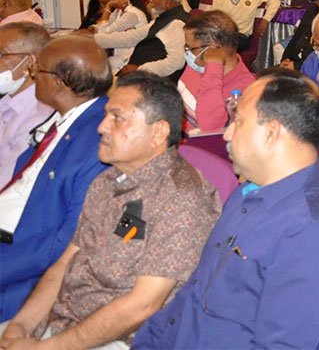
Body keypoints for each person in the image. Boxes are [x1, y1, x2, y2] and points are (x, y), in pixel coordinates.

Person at [133, 70, 319, 349]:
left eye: (238, 121)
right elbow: (191, 298)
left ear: (271, 133)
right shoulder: (249, 193)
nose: (227, 133)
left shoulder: (311, 232)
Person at [0, 72, 220, 348]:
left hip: (119, 340)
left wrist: (46, 347)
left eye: (118, 118)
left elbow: (142, 306)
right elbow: (65, 263)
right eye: (106, 115)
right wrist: (19, 327)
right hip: (60, 323)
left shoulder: (181, 199)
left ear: (158, 133)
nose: (102, 127)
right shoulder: (107, 180)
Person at [0, 36, 110, 322]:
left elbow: (67, 239)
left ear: (60, 82)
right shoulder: (64, 120)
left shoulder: (99, 140)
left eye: (38, 70)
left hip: (20, 261)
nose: (32, 76)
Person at [94, 0, 190, 81]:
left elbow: (176, 62)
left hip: (153, 82)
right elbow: (130, 37)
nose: (150, 1)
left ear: (167, 2)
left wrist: (140, 69)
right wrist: (91, 39)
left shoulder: (177, 23)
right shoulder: (164, 19)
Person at [178, 11, 255, 133]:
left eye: (190, 48)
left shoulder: (245, 91)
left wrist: (213, 69)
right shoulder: (196, 67)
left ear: (212, 50)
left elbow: (210, 129)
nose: (187, 53)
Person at [0, 23, 53, 188]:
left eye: (1, 54)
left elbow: (8, 183)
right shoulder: (7, 101)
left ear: (30, 62)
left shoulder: (39, 117)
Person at [89, 0, 152, 73]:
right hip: (120, 58)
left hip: (131, 60)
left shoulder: (132, 14)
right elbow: (103, 27)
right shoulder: (117, 12)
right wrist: (93, 28)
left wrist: (108, 6)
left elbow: (105, 33)